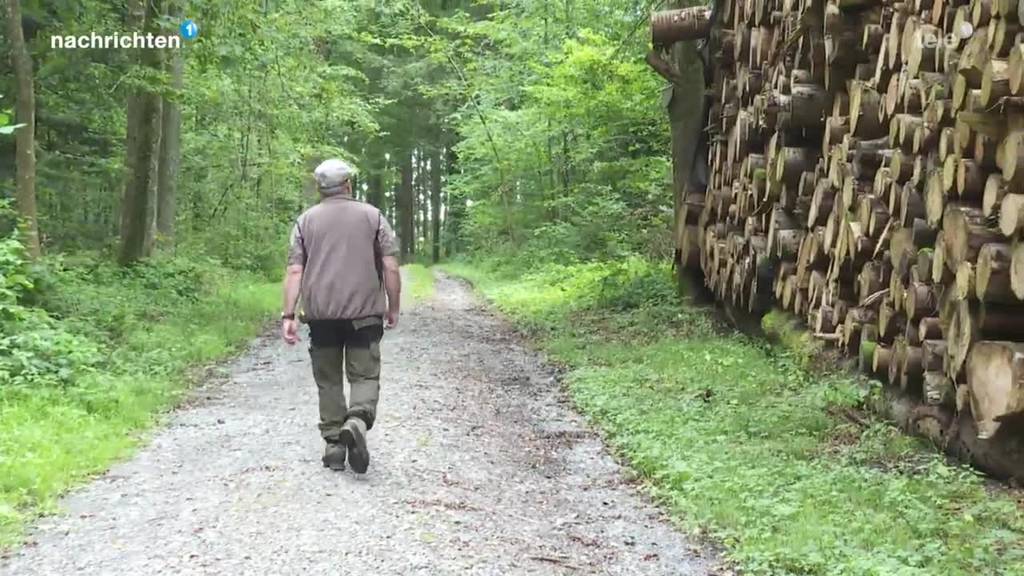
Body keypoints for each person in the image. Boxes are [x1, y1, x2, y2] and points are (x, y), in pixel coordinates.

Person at [280, 158, 401, 474]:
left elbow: (295, 269)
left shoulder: (304, 222)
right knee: (364, 375)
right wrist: (393, 305)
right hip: (364, 314)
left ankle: (334, 446)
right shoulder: (373, 216)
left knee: (329, 379)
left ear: (319, 188)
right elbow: (389, 265)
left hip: (321, 317)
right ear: (348, 185)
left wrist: (288, 314)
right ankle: (357, 420)